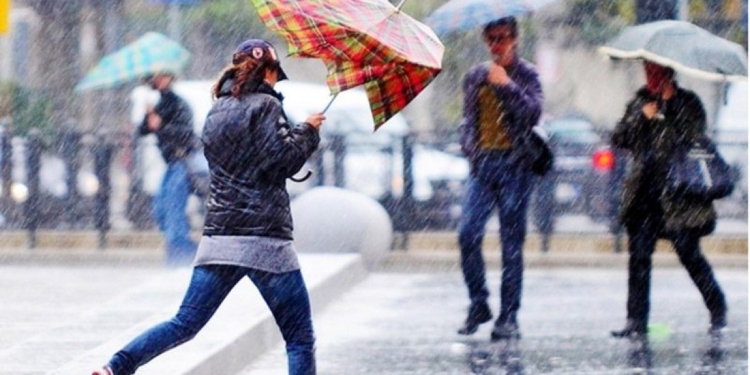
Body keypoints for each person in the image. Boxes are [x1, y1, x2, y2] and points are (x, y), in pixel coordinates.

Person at [92, 39, 326, 375]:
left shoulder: (217, 109)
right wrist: (307, 132)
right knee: (299, 337)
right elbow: (280, 163)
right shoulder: (268, 107)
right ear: (269, 71)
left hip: (220, 237)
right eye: (276, 74)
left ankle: (117, 365)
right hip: (265, 240)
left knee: (184, 323)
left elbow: (238, 162)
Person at [609, 61, 727, 339]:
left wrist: (668, 110)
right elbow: (619, 137)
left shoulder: (688, 102)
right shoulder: (639, 101)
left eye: (655, 72)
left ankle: (717, 306)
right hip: (644, 193)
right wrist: (642, 117)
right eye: (647, 71)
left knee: (689, 254)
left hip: (678, 194)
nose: (650, 78)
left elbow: (694, 136)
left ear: (668, 72)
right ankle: (636, 320)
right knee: (638, 257)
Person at [456, 16, 543, 341]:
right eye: (491, 38)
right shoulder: (475, 77)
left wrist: (506, 84)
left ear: (515, 39)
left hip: (515, 166)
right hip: (484, 165)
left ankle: (509, 317)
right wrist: (471, 150)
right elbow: (467, 120)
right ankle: (479, 302)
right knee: (467, 234)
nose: (497, 45)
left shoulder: (526, 74)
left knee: (511, 245)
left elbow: (532, 113)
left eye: (503, 38)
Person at [139, 71, 199, 265]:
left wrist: (161, 125)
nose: (159, 80)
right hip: (171, 164)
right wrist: (149, 116)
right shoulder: (160, 104)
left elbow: (185, 133)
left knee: (173, 210)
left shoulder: (178, 103)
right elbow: (143, 130)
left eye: (164, 76)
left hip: (182, 162)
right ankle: (183, 250)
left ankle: (181, 254)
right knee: (161, 210)